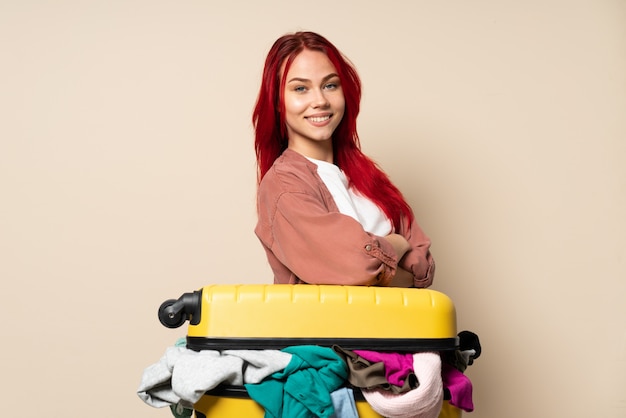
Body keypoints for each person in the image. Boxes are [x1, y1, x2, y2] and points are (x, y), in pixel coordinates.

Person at [253, 31, 435, 288]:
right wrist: (397, 243)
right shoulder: (285, 185)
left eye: (330, 85)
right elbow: (357, 267)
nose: (320, 101)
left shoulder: (368, 179)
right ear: (278, 102)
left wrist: (375, 265)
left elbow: (423, 267)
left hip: (399, 328)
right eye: (300, 88)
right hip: (327, 329)